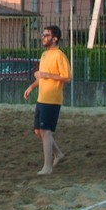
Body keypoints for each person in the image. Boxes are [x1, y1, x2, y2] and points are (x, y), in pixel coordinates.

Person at [24, 25, 71, 175]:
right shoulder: (44, 55)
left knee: (45, 131)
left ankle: (48, 167)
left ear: (55, 38)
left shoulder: (60, 55)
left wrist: (46, 75)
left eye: (46, 35)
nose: (43, 38)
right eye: (43, 35)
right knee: (38, 131)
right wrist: (32, 86)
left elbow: (67, 77)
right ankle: (58, 154)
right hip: (42, 98)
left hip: (52, 99)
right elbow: (42, 77)